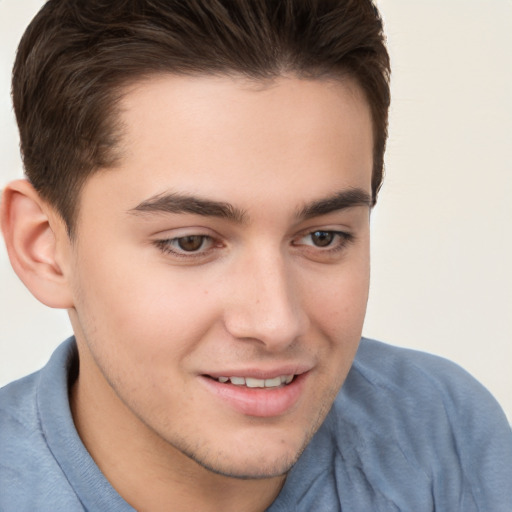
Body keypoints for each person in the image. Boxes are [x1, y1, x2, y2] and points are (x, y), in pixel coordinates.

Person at [0, 0, 510, 510]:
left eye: (323, 237)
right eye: (190, 242)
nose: (277, 323)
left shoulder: (444, 432)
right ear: (43, 247)